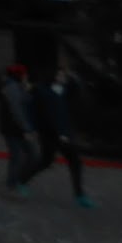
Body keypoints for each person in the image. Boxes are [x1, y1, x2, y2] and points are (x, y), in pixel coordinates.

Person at [27, 65, 93, 207]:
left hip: (63, 134)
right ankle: (22, 180)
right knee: (46, 161)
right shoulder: (42, 91)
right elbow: (40, 114)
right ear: (54, 77)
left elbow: (76, 88)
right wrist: (33, 129)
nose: (64, 78)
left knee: (75, 162)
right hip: (50, 134)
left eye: (64, 75)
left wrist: (73, 75)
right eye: (61, 75)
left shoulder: (63, 90)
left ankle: (79, 195)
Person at [0, 63, 37, 198]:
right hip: (13, 128)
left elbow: (27, 101)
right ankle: (13, 185)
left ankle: (17, 181)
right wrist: (26, 129)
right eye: (24, 75)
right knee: (18, 157)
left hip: (17, 128)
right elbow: (17, 111)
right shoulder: (12, 88)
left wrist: (26, 89)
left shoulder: (17, 87)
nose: (26, 77)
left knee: (29, 155)